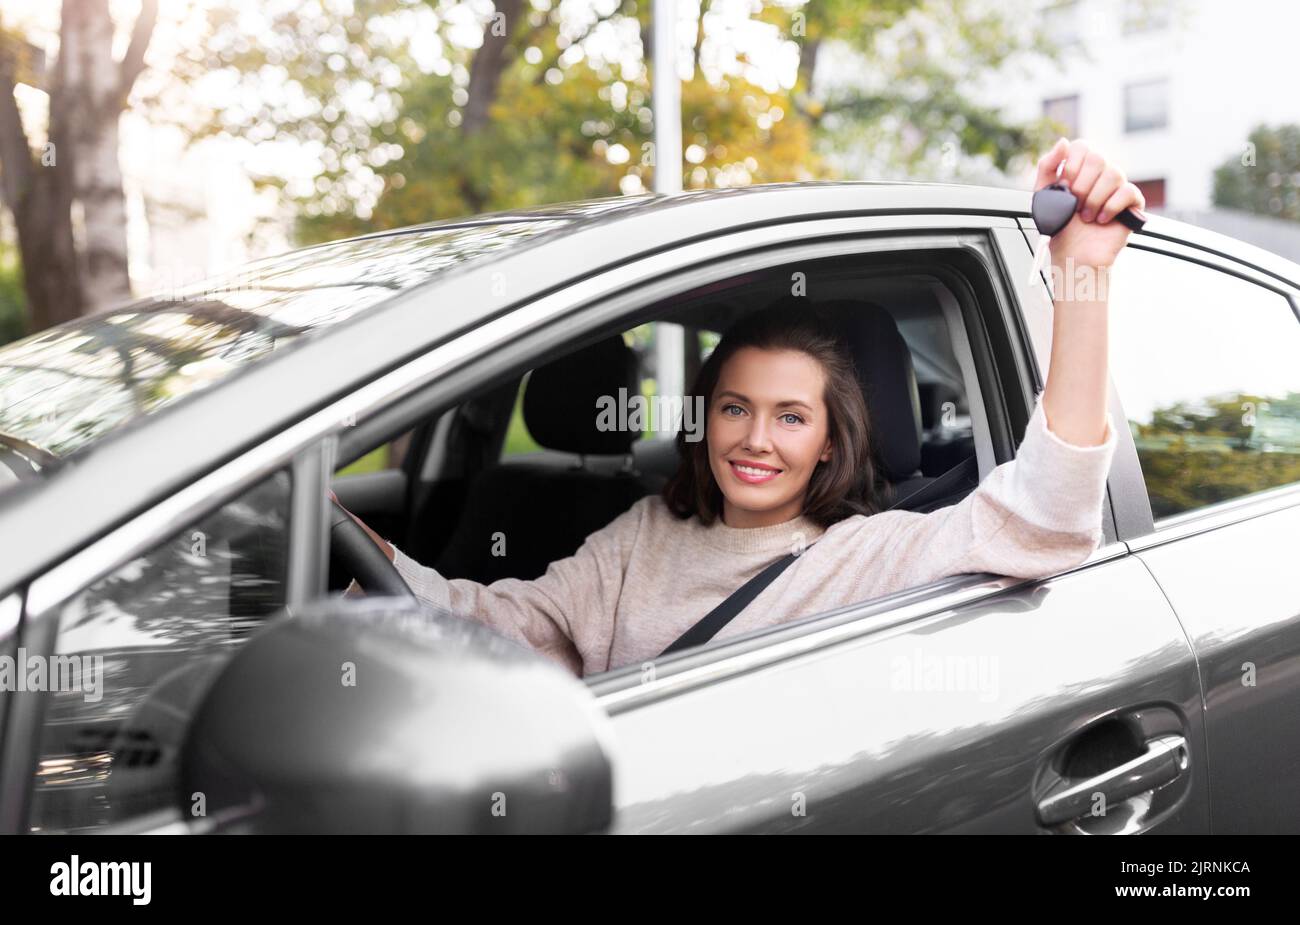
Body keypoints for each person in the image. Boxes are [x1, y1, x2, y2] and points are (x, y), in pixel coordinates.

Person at [338, 138, 1142, 678]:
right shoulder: (644, 534)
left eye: (792, 416)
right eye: (734, 409)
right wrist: (343, 535)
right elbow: (512, 626)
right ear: (705, 417)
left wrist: (1083, 272)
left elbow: (1048, 511)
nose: (755, 440)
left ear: (832, 441)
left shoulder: (869, 553)